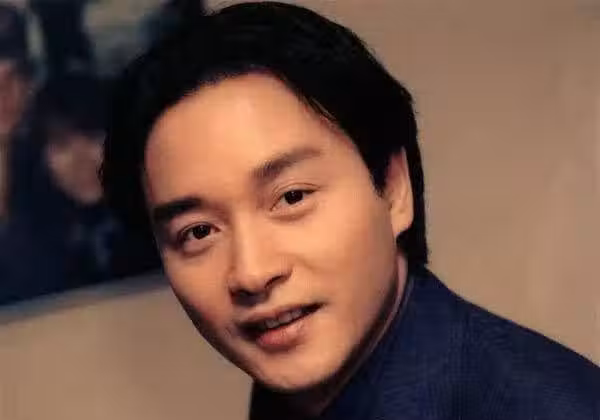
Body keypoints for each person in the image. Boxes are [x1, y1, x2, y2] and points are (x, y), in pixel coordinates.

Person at [100, 2, 600, 419]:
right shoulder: (292, 394)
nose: (251, 272)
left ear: (393, 188)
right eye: (198, 232)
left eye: (292, 198)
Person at [0, 72, 158, 304]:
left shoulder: (155, 214)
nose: (81, 161)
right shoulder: (25, 243)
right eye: (62, 145)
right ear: (42, 160)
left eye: (93, 138)